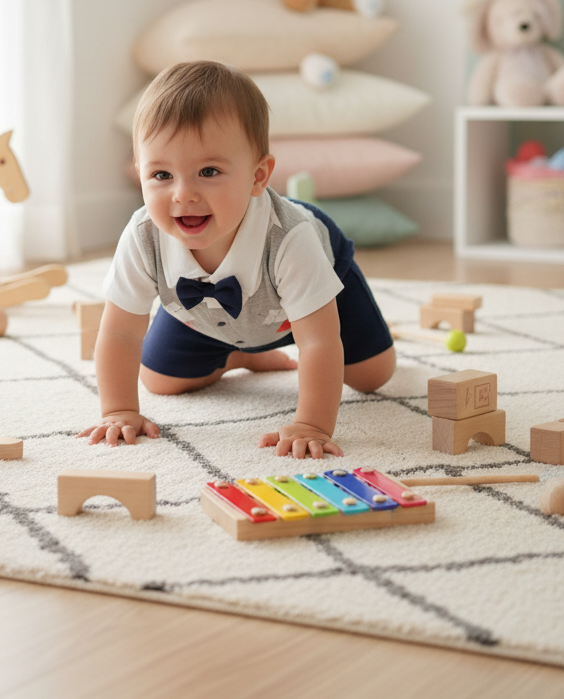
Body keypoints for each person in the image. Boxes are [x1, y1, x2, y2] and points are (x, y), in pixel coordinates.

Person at [78, 61, 396, 459]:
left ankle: (269, 346)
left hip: (316, 291)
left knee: (372, 374)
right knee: (159, 378)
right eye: (161, 175)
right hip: (208, 312)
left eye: (208, 171)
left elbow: (318, 341)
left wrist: (311, 424)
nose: (183, 194)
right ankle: (240, 353)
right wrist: (118, 410)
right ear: (140, 172)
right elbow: (120, 333)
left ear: (258, 177)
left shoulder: (290, 238)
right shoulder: (144, 236)